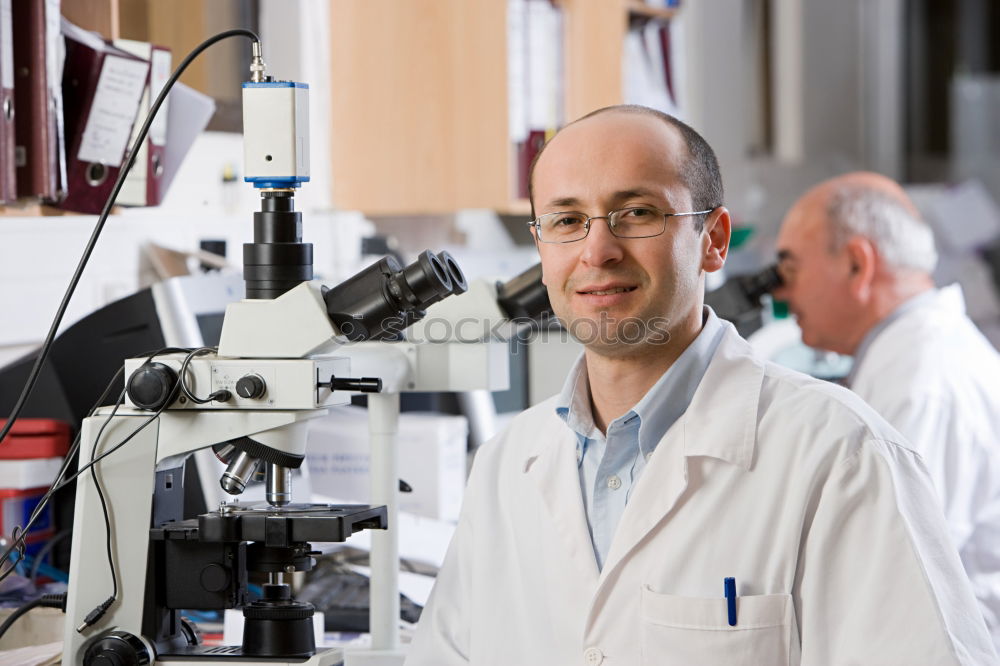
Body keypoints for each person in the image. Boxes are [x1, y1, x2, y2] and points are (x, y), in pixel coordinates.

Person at [405, 107, 996, 665]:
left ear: (713, 240)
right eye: (566, 220)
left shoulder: (843, 454)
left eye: (636, 212)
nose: (597, 250)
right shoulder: (507, 463)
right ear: (541, 246)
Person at [774, 171, 1000, 650]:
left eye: (789, 270)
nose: (779, 293)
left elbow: (890, 564)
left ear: (858, 264)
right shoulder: (911, 357)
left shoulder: (923, 380)